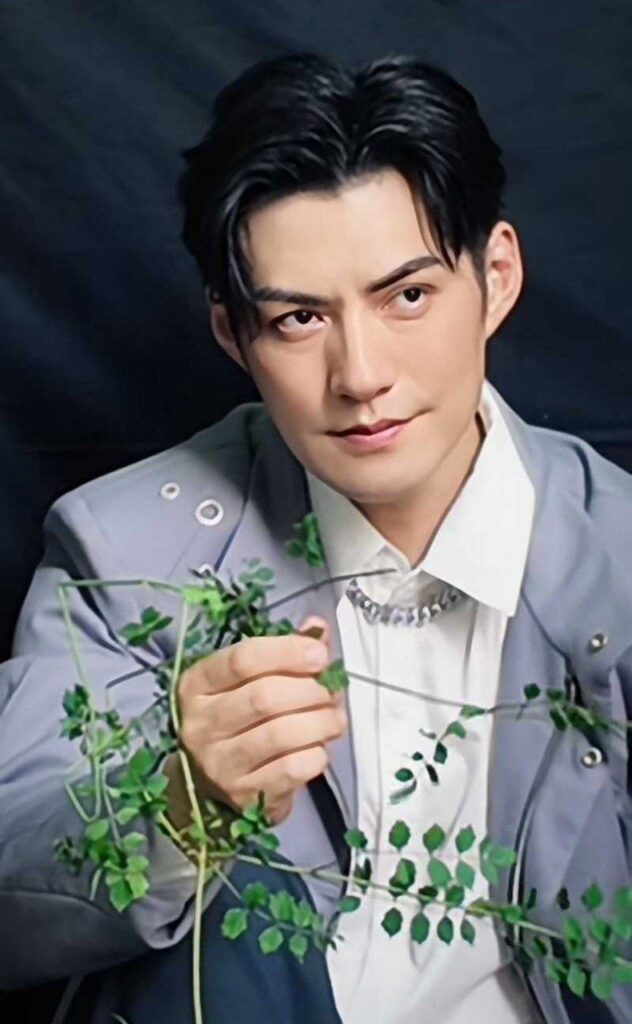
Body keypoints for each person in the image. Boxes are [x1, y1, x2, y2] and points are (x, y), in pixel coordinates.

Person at [1, 51, 631, 1024]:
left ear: (496, 277)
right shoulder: (121, 555)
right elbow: (10, 904)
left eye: (407, 296)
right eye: (299, 318)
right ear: (232, 332)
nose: (361, 374)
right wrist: (177, 808)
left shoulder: (616, 552)